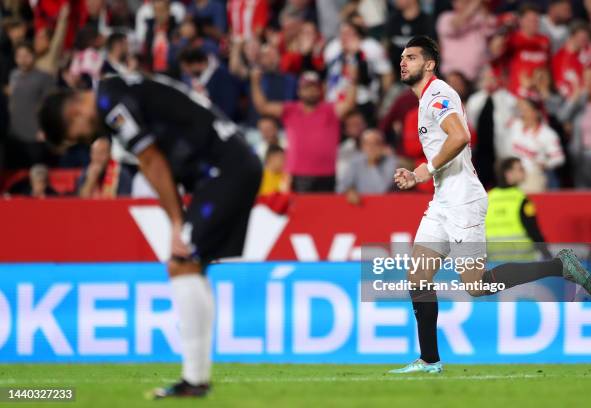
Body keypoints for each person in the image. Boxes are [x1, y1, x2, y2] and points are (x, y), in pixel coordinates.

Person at [38, 71, 262, 398]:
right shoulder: (118, 88)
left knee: (182, 263)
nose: (86, 140)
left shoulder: (109, 103)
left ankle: (195, 380)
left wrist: (175, 221)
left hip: (225, 170)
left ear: (74, 113)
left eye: (76, 136)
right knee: (189, 266)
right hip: (229, 166)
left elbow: (150, 158)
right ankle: (196, 378)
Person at [391, 36, 591, 375]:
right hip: (443, 201)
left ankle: (559, 265)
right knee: (418, 276)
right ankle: (429, 361)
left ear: (429, 64)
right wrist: (420, 173)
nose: (403, 62)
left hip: (462, 201)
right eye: (402, 57)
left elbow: (460, 137)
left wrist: (422, 171)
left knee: (476, 285)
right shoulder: (426, 99)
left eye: (411, 57)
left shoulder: (438, 95)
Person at [251, 69, 355, 193]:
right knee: (300, 211)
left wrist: (353, 80)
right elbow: (262, 107)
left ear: (319, 90)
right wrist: (255, 82)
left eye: (314, 87)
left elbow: (349, 104)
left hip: (327, 174)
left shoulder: (330, 110)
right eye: (306, 88)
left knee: (325, 211)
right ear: (299, 91)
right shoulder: (290, 110)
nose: (311, 91)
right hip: (298, 174)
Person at [485, 157, 552, 261]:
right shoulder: (521, 199)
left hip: (494, 258)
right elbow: (533, 230)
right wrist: (547, 253)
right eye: (520, 169)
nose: (524, 172)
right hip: (522, 258)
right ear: (509, 174)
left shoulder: (488, 198)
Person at [557, 66, 591, 189]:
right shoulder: (579, 102)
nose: (589, 82)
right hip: (581, 156)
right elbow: (561, 117)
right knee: (583, 195)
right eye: (586, 79)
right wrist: (575, 96)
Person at [508, 97, 565, 192]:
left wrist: (546, 164)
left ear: (536, 113)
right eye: (521, 110)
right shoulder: (515, 126)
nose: (522, 113)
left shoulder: (547, 133)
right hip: (513, 175)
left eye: (526, 110)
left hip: (533, 177)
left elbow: (559, 158)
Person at [337, 128, 397, 204]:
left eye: (376, 143)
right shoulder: (354, 162)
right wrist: (349, 191)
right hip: (360, 208)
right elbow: (341, 188)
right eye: (367, 144)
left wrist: (372, 164)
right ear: (362, 146)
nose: (371, 147)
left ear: (382, 146)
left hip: (385, 207)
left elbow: (381, 190)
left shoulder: (390, 162)